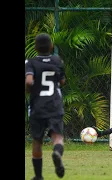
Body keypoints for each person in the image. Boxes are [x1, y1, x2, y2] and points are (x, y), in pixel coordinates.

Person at [25, 33, 66, 180]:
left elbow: (29, 81)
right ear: (51, 47)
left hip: (37, 106)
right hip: (55, 105)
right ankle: (56, 152)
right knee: (57, 136)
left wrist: (29, 89)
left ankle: (38, 176)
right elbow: (62, 82)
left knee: (37, 141)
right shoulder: (57, 61)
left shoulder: (30, 62)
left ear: (35, 47)